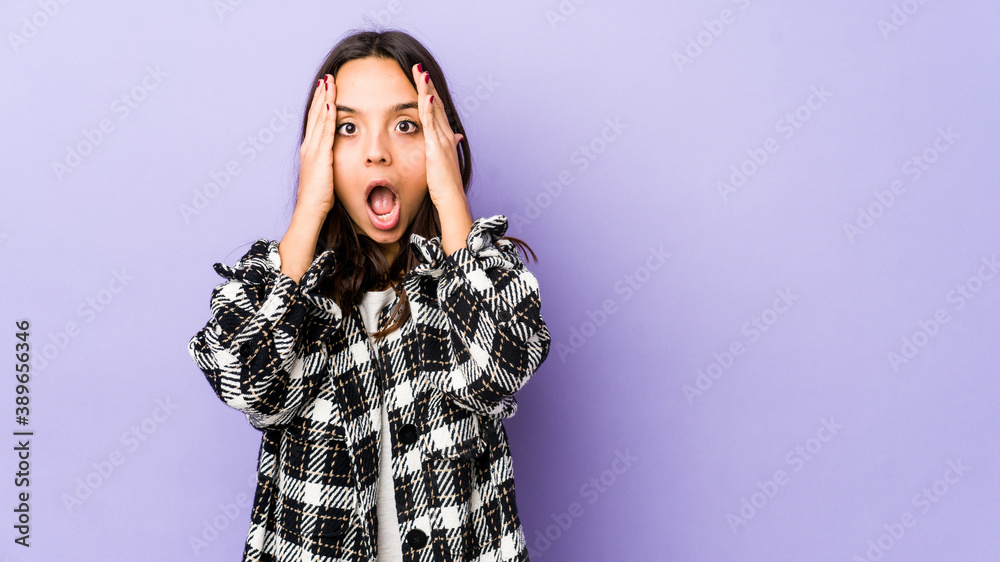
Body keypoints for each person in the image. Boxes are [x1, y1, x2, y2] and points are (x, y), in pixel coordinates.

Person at [187, 28, 551, 562]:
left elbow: (504, 361)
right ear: (320, 150)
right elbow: (241, 378)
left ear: (441, 142)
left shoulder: (469, 281)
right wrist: (308, 209)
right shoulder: (294, 296)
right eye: (348, 129)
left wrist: (450, 195)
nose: (377, 153)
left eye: (406, 126)